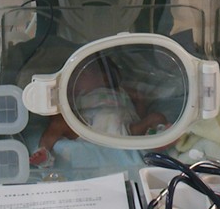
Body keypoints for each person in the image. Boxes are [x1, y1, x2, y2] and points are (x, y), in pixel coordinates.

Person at [29, 59, 168, 166]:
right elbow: (60, 107)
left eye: (81, 74)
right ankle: (43, 152)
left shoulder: (120, 91)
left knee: (156, 117)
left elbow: (140, 98)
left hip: (127, 129)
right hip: (86, 127)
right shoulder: (75, 95)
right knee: (59, 122)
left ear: (105, 78)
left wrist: (141, 113)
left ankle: (157, 135)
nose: (74, 79)